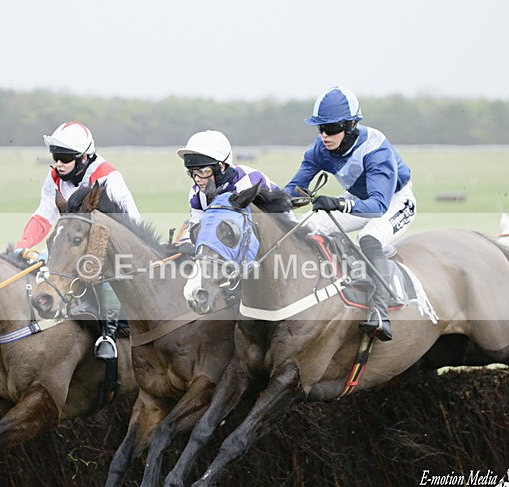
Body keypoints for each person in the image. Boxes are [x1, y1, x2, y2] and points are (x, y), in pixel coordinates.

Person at [284, 86, 416, 341]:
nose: (324, 135)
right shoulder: (319, 149)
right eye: (320, 128)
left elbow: (378, 205)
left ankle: (380, 312)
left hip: (394, 201)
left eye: (331, 129)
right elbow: (293, 187)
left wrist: (338, 204)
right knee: (306, 227)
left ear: (351, 126)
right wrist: (287, 200)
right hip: (358, 200)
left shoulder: (376, 149)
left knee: (369, 238)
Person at [14, 121, 140, 359]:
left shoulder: (109, 177)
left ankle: (108, 334)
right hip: (72, 241)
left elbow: (131, 224)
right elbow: (43, 216)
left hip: (108, 245)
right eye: (55, 157)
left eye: (65, 158)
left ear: (83, 158)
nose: (59, 164)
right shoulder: (54, 177)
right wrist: (23, 245)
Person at [177, 130, 282, 245]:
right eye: (192, 172)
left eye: (203, 171)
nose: (197, 179)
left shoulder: (250, 180)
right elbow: (197, 227)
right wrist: (184, 244)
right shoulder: (196, 193)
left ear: (221, 167)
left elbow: (285, 218)